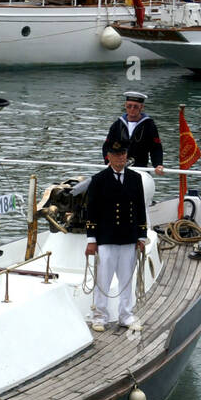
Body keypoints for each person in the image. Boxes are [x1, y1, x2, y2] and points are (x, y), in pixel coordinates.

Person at [85, 140, 148, 333]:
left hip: (128, 237)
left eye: (123, 154)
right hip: (106, 237)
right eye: (117, 154)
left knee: (126, 279)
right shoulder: (98, 180)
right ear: (109, 157)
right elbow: (92, 211)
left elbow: (140, 209)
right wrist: (91, 240)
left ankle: (126, 315)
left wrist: (142, 236)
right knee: (103, 279)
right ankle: (100, 316)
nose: (121, 158)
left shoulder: (135, 178)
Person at [103, 91, 165, 175]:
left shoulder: (149, 125)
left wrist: (158, 165)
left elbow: (156, 147)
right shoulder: (117, 124)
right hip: (118, 168)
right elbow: (108, 145)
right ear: (125, 106)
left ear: (141, 107)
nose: (132, 109)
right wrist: (109, 161)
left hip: (140, 169)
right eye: (129, 106)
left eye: (135, 107)